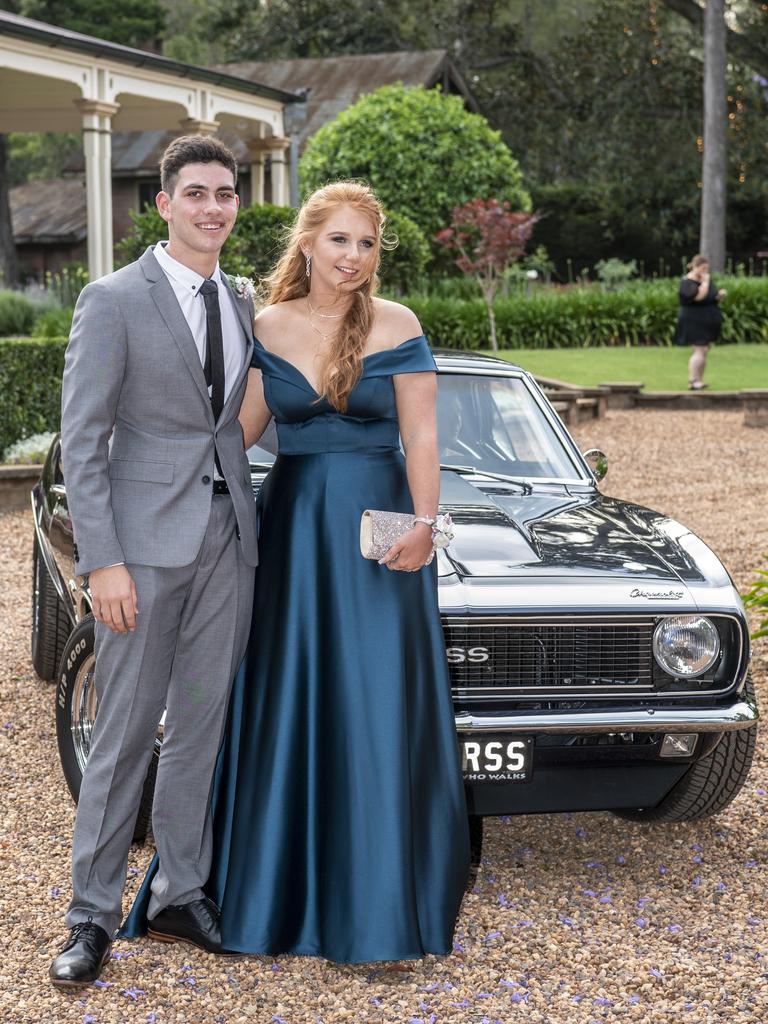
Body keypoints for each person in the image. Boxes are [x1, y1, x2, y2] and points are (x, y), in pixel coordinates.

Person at [121, 181, 470, 964]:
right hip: (293, 539)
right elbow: (231, 436)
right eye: (339, 240)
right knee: (290, 702)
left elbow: (421, 438)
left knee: (377, 705)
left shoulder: (397, 323)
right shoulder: (265, 324)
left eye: (366, 243)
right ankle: (274, 892)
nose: (353, 257)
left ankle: (381, 914)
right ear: (307, 244)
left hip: (383, 541)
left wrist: (426, 525)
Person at [51, 135, 276, 987]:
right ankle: (89, 917)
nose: (213, 207)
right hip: (141, 555)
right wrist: (100, 561)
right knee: (122, 733)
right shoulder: (113, 299)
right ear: (164, 204)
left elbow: (245, 422)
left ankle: (181, 892)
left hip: (230, 542)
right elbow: (84, 440)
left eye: (225, 194)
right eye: (197, 194)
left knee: (198, 728)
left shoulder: (246, 302)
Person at [674, 253, 726, 389]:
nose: (705, 272)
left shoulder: (703, 280)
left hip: (706, 320)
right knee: (699, 350)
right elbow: (699, 297)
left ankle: (698, 380)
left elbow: (710, 297)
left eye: (706, 269)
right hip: (693, 321)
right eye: (703, 269)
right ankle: (693, 380)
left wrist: (719, 295)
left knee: (704, 350)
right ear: (695, 267)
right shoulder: (688, 282)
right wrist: (705, 282)